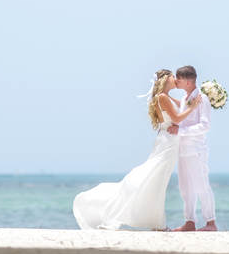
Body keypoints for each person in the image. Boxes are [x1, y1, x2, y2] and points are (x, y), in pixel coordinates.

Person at [72, 69, 200, 230]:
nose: (176, 78)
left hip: (168, 141)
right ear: (165, 79)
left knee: (158, 181)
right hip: (167, 143)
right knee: (155, 178)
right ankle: (156, 223)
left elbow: (180, 109)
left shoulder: (165, 97)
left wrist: (191, 100)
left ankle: (157, 222)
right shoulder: (162, 97)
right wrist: (193, 107)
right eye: (172, 76)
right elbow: (177, 118)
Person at [169, 65, 216, 231]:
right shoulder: (184, 98)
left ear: (188, 81)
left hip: (196, 149)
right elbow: (181, 112)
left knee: (201, 185)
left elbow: (205, 126)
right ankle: (190, 221)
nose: (176, 81)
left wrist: (180, 131)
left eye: (179, 79)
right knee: (185, 187)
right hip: (182, 148)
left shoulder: (202, 99)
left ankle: (211, 222)